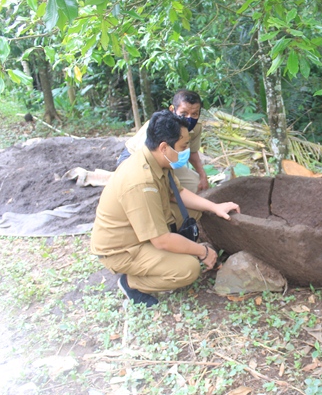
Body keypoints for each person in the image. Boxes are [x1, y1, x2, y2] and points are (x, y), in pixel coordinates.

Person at [92, 110, 240, 307]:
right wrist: (202, 252)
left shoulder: (156, 159)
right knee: (188, 269)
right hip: (123, 248)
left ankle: (170, 255)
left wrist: (215, 207)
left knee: (195, 212)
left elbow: (176, 193)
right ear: (164, 147)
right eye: (183, 146)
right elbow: (161, 240)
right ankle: (130, 283)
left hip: (141, 230)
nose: (187, 151)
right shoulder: (140, 182)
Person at [119, 89, 209, 193]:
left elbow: (192, 152)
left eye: (194, 114)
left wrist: (203, 175)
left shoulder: (195, 127)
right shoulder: (159, 125)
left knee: (196, 183)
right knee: (154, 189)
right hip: (136, 159)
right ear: (172, 110)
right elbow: (144, 158)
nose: (189, 118)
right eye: (184, 113)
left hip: (168, 162)